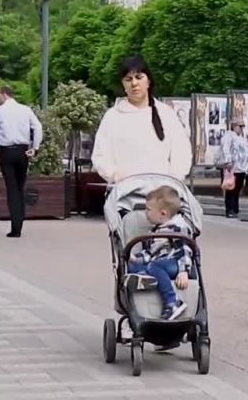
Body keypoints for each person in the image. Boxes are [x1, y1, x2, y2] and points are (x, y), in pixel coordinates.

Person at [91, 55, 192, 183]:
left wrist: (173, 180)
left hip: (162, 193)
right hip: (124, 193)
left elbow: (181, 152)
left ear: (148, 81)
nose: (134, 83)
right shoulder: (113, 116)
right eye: (128, 79)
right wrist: (114, 176)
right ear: (123, 84)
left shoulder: (166, 114)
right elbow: (101, 155)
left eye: (139, 77)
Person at [124, 186, 192, 321]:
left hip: (175, 263)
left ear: (162, 213)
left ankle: (173, 302)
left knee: (154, 266)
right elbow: (150, 253)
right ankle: (144, 276)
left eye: (148, 210)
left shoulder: (177, 228)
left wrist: (184, 271)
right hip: (158, 263)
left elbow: (185, 249)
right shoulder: (156, 231)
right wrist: (134, 258)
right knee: (132, 267)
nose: (145, 213)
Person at [0, 85, 43, 238]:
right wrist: (35, 147)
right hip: (22, 151)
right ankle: (20, 222)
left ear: (4, 94)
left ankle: (15, 226)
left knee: (11, 188)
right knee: (20, 186)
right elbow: (37, 127)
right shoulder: (25, 110)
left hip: (7, 152)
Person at [220, 119, 248, 218]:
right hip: (232, 167)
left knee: (237, 189)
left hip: (241, 167)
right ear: (234, 126)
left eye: (242, 127)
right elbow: (226, 149)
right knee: (231, 188)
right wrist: (228, 161)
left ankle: (235, 208)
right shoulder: (229, 136)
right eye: (239, 126)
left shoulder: (241, 137)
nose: (241, 129)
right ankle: (229, 209)